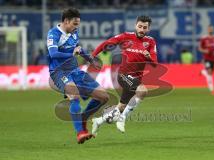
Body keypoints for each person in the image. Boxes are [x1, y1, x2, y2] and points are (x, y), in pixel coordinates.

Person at [46, 8, 109, 144]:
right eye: (75, 24)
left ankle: (83, 118)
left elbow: (78, 49)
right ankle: (80, 132)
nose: (77, 26)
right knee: (74, 95)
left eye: (78, 24)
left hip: (75, 71)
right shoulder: (53, 34)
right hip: (59, 72)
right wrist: (71, 54)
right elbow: (53, 54)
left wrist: (91, 59)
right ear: (66, 21)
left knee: (104, 97)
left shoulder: (74, 32)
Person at [91, 15, 157, 135]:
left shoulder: (150, 41)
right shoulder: (126, 36)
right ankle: (122, 119)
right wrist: (93, 55)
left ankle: (98, 121)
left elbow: (155, 64)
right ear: (135, 26)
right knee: (142, 91)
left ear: (148, 29)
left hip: (135, 79)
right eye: (140, 26)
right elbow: (106, 43)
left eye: (145, 27)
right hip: (124, 75)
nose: (142, 29)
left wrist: (149, 58)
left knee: (121, 108)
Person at [198, 25, 214, 95]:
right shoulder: (204, 38)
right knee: (210, 72)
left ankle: (203, 72)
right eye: (209, 29)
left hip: (213, 58)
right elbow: (199, 48)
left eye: (212, 29)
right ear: (207, 30)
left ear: (213, 30)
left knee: (210, 73)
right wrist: (205, 51)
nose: (211, 30)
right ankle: (212, 90)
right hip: (206, 58)